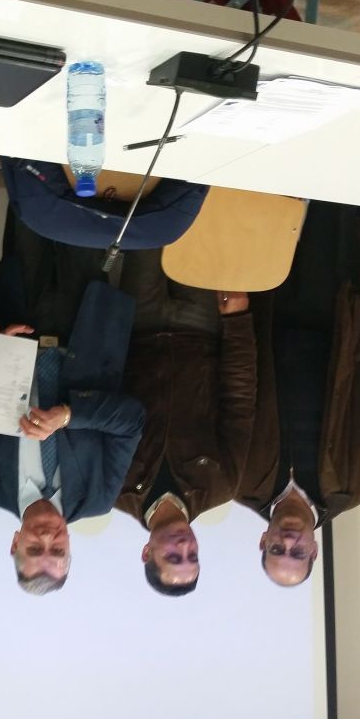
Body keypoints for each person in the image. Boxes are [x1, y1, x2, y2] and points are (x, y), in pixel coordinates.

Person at [0, 215, 145, 595]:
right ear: (70, 547)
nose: (47, 537)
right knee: (86, 207)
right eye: (58, 549)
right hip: (86, 324)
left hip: (17, 315)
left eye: (34, 548)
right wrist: (69, 416)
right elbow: (131, 421)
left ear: (15, 543)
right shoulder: (98, 498)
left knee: (31, 208)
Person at [238, 202, 360, 588]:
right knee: (333, 208)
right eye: (297, 553)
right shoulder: (355, 486)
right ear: (314, 550)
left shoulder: (240, 482)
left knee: (271, 204)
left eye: (276, 549)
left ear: (262, 541)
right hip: (333, 324)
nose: (288, 542)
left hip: (264, 319)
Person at [115, 247, 257, 596]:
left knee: (149, 229)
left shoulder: (114, 490)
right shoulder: (221, 486)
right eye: (192, 556)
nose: (184, 546)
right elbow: (239, 400)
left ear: (147, 552)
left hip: (136, 329)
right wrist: (237, 323)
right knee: (196, 232)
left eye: (173, 557)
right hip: (201, 330)